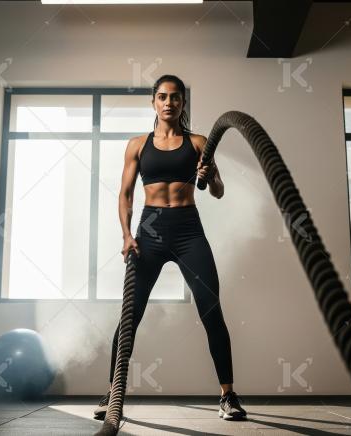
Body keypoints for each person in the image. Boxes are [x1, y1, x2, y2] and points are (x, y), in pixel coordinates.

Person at [94, 74, 247, 421]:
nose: (168, 103)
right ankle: (112, 391)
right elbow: (125, 194)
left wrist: (208, 175)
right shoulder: (137, 144)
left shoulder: (198, 142)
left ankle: (228, 396)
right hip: (149, 231)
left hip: (189, 230)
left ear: (182, 103)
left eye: (175, 97)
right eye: (162, 97)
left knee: (211, 310)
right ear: (153, 102)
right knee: (129, 316)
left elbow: (218, 190)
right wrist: (126, 235)